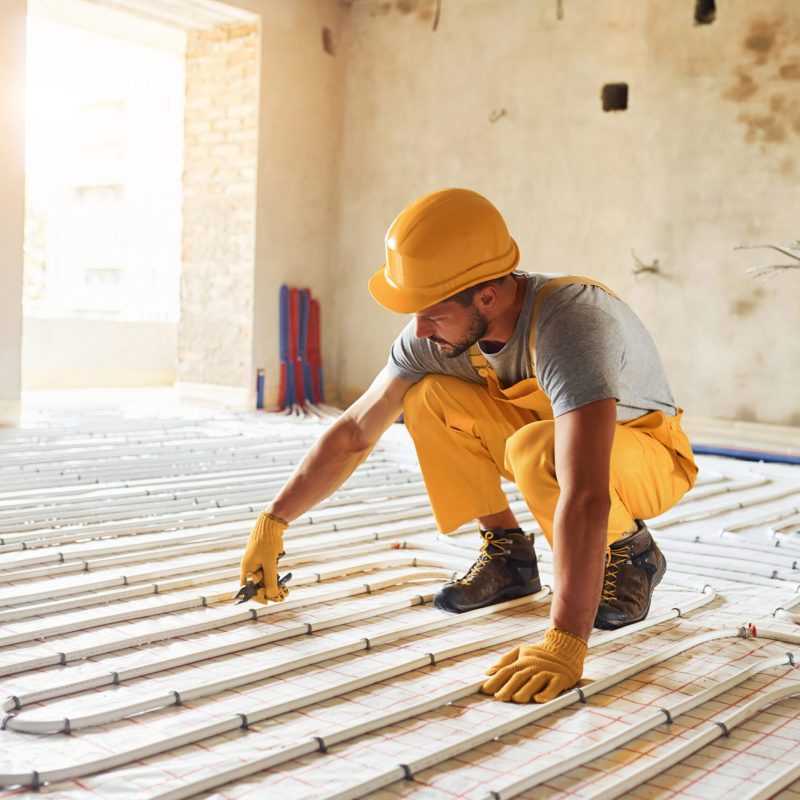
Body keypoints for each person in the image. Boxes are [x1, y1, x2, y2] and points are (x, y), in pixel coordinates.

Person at [239, 188, 698, 705]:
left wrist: (566, 641)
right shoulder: (437, 332)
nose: (418, 330)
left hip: (646, 458)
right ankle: (509, 557)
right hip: (547, 440)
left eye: (432, 314)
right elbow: (354, 430)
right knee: (428, 397)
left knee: (536, 449)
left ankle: (632, 554)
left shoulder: (569, 326)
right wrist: (273, 520)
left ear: (487, 296)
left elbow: (586, 492)